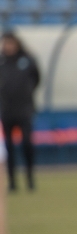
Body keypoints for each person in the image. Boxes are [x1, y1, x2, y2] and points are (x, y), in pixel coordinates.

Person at [0, 31, 40, 192]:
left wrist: (27, 93)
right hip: (6, 110)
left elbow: (37, 78)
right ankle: (12, 181)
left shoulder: (27, 60)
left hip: (24, 109)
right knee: (8, 147)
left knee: (27, 144)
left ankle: (30, 179)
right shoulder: (1, 61)